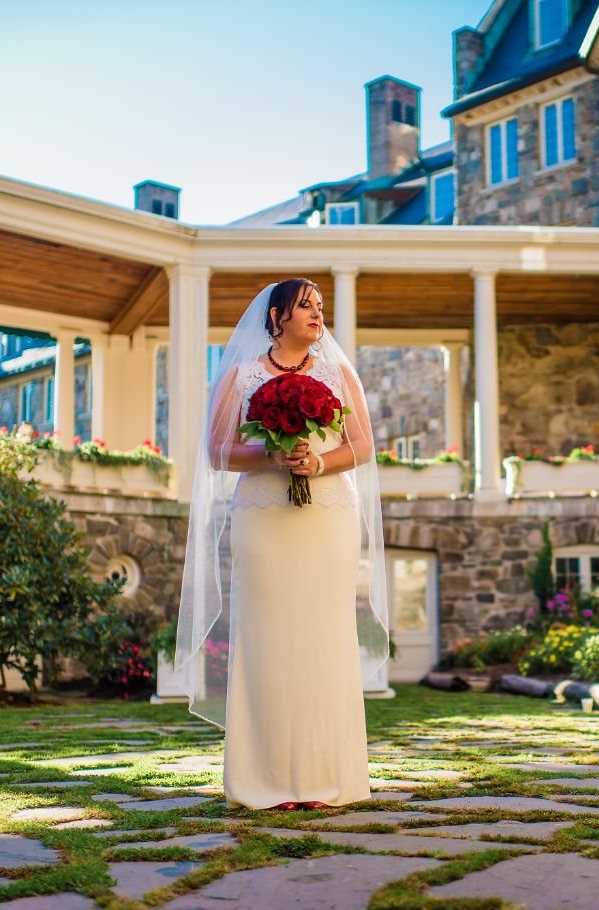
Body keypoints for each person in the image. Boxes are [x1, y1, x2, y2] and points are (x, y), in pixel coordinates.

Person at [174, 277, 390, 811]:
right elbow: (218, 451)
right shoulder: (239, 377)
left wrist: (316, 462)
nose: (317, 315)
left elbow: (362, 445)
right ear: (276, 318)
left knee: (324, 635)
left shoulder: (338, 373)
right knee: (267, 636)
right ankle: (265, 781)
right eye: (304, 306)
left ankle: (327, 777)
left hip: (328, 514)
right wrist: (271, 456)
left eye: (320, 306)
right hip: (264, 515)